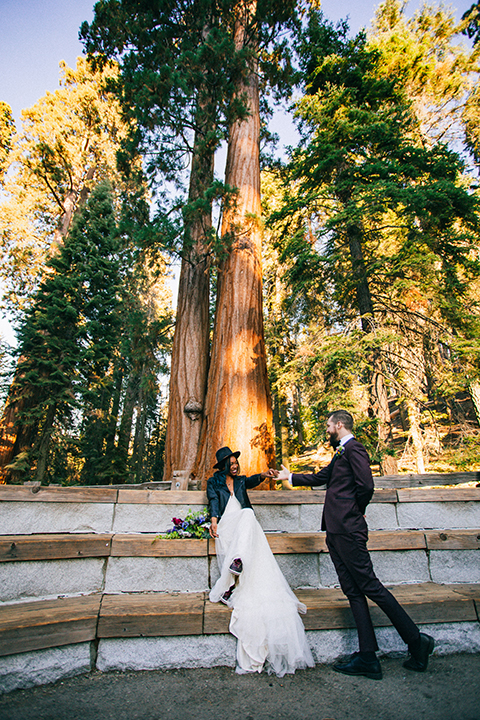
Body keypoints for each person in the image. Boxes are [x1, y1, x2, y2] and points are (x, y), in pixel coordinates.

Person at [276, 410, 435, 680]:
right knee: (352, 590)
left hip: (348, 529)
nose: (326, 429)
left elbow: (366, 486)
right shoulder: (340, 451)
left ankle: (416, 641)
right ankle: (368, 656)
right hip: (336, 531)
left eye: (328, 425)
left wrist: (354, 512)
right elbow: (321, 478)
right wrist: (289, 477)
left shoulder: (355, 448)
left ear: (339, 425)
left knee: (370, 585)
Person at [207, 445, 315, 677]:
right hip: (227, 523)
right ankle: (237, 563)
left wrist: (265, 475)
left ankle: (238, 561)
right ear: (224, 465)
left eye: (237, 463)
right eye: (232, 464)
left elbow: (252, 480)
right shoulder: (213, 482)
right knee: (247, 516)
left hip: (244, 523)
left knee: (248, 514)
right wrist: (214, 521)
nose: (235, 466)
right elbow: (213, 501)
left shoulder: (240, 481)